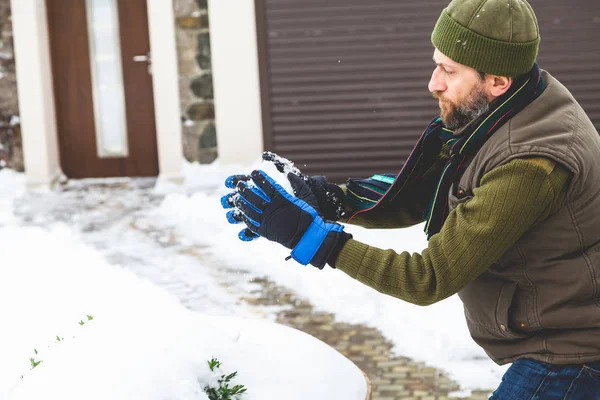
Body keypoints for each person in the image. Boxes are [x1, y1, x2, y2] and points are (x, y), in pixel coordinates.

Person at [221, 0, 600, 397]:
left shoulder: (530, 163)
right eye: (437, 63)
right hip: (557, 340)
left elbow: (428, 278)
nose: (434, 82)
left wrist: (313, 238)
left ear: (497, 81)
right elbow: (431, 188)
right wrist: (334, 199)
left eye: (450, 71)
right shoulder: (514, 104)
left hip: (572, 355)